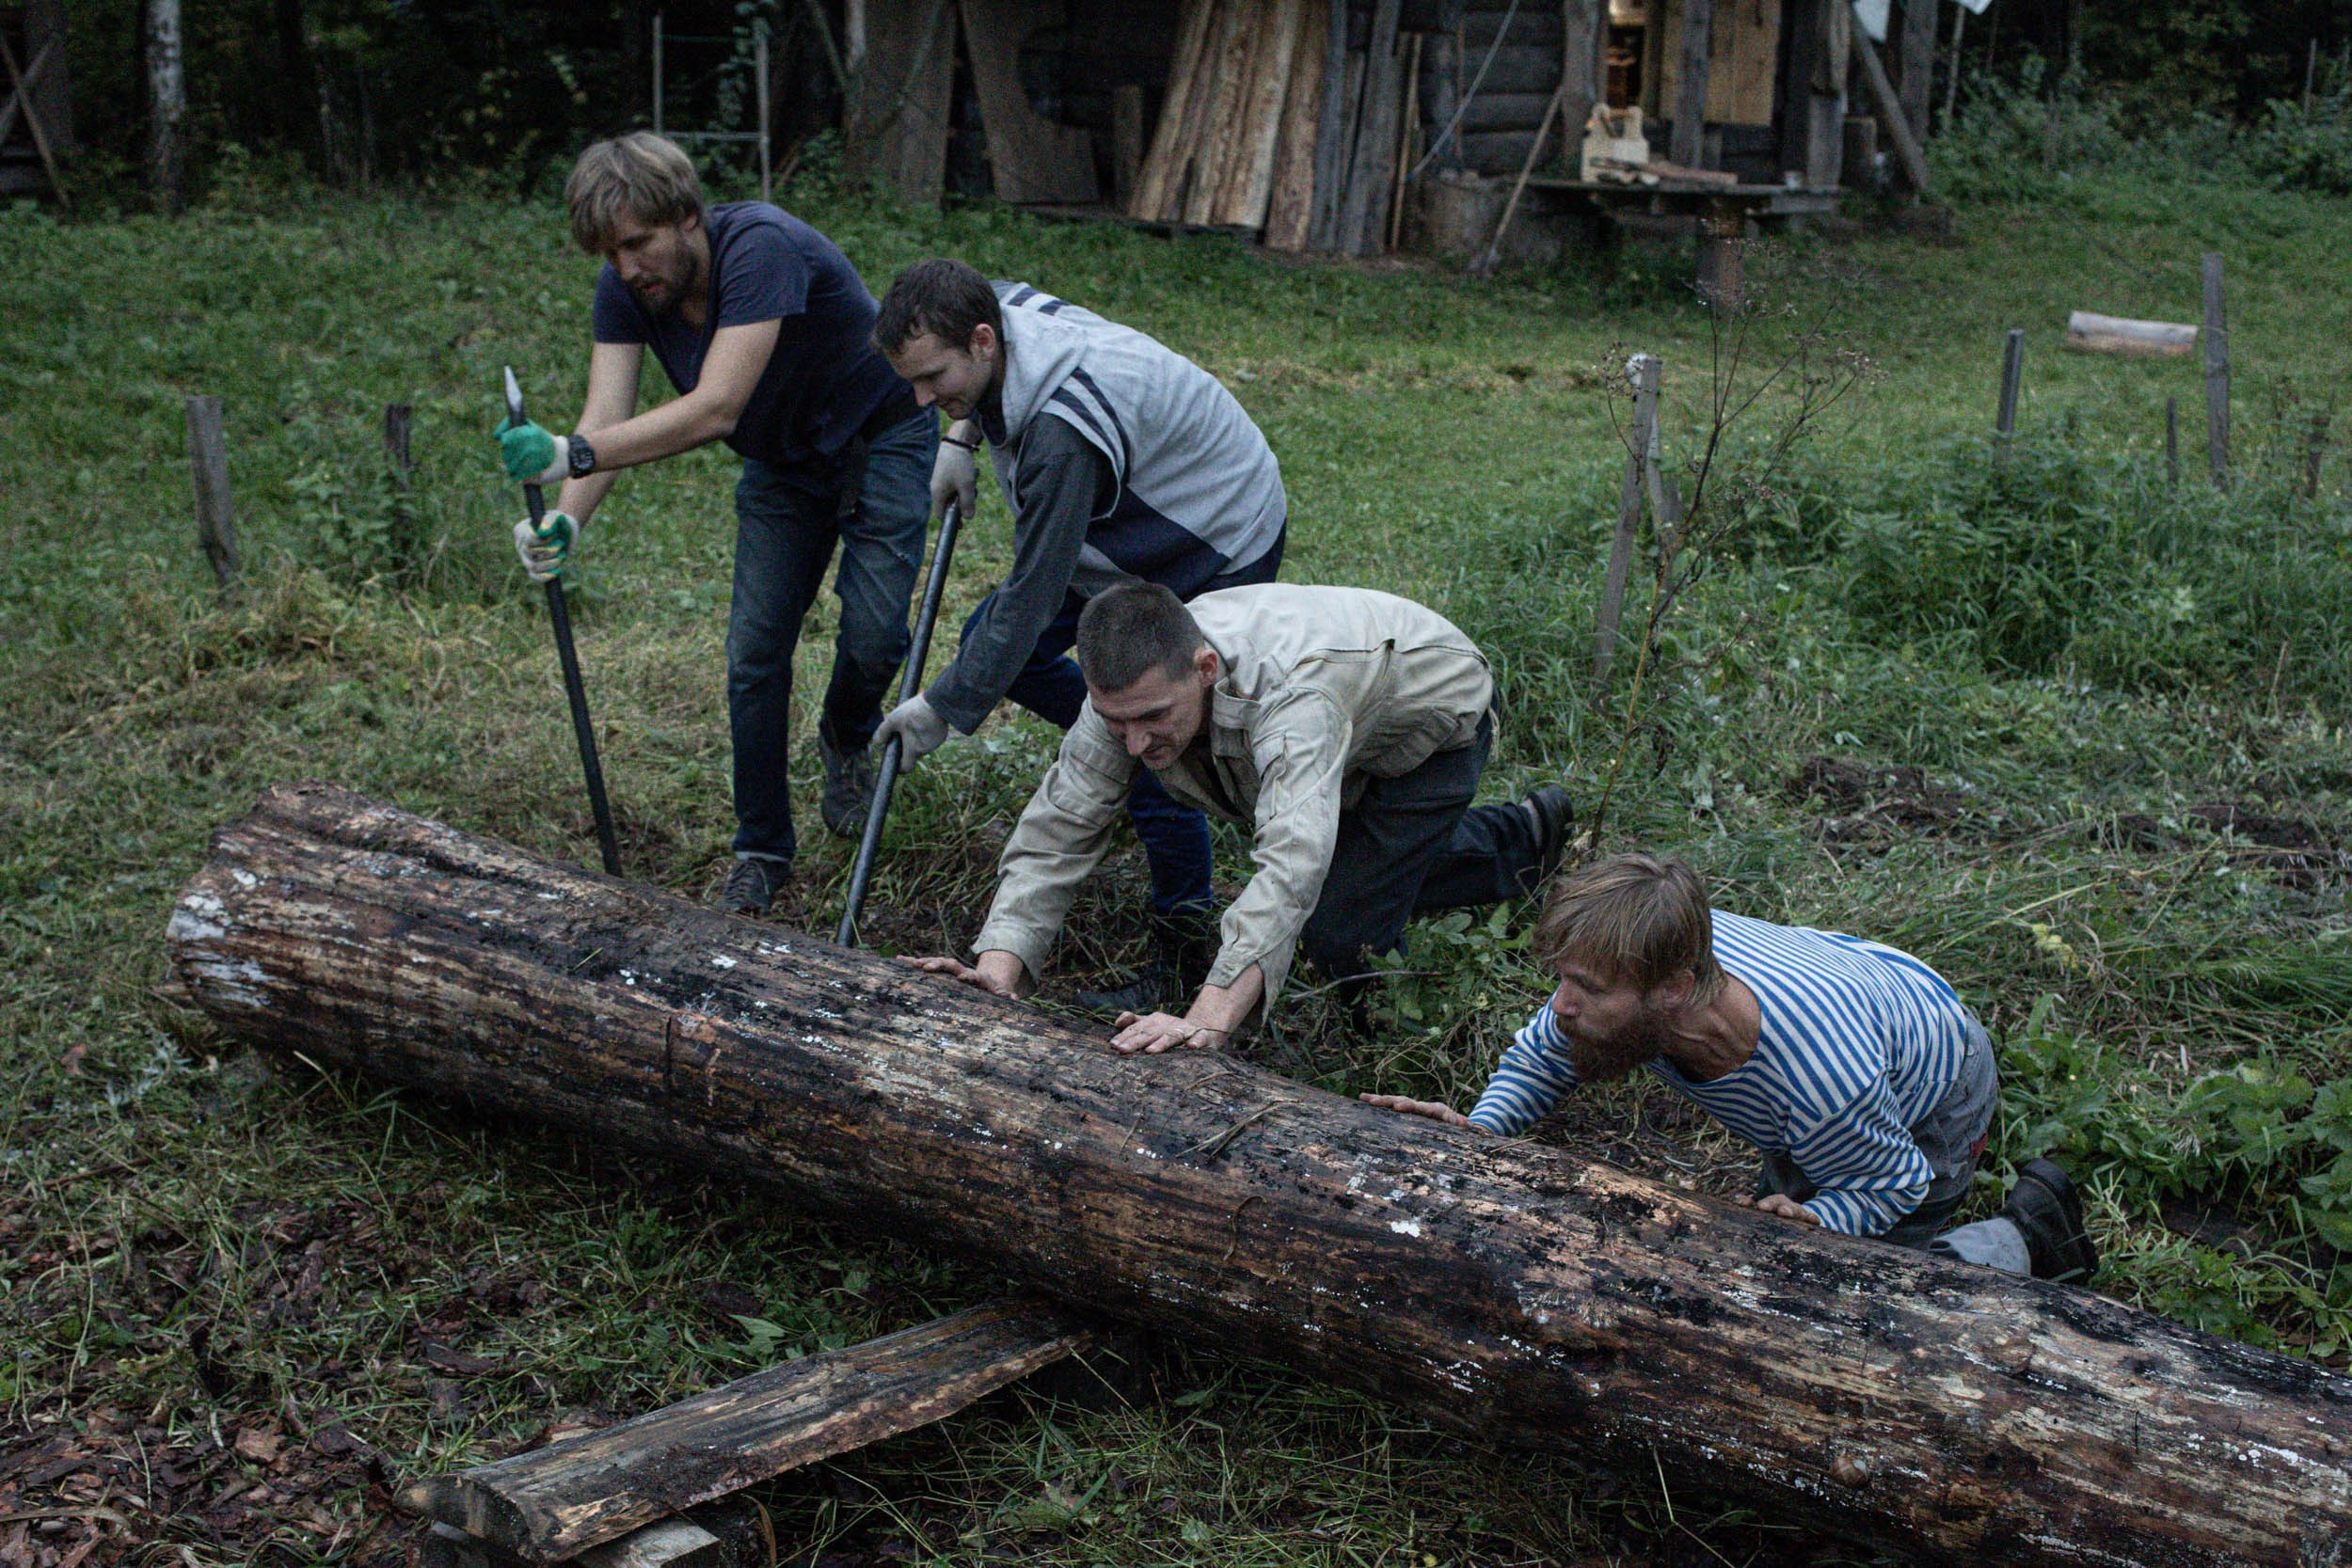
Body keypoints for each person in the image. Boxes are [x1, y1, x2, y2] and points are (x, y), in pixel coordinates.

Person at [494, 132, 938, 915]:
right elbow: (608, 411)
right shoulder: (625, 291)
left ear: (688, 216)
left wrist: (571, 453)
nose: (628, 266)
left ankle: (845, 732)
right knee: (754, 651)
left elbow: (715, 407)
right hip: (782, 461)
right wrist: (568, 524)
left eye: (639, 242)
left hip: (880, 433)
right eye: (609, 250)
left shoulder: (760, 247)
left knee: (875, 632)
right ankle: (762, 849)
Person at [867, 259, 1288, 1014]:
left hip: (1212, 532)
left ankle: (1185, 935)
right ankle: (1115, 746)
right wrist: (960, 439)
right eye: (913, 384)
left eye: (934, 380)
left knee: (1156, 725)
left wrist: (943, 706)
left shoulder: (1063, 438)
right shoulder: (1000, 309)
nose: (923, 400)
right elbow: (1019, 616)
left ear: (985, 340)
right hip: (1134, 511)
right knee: (1022, 662)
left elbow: (1031, 593)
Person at [904, 581, 1574, 1053]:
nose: (1134, 744)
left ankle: (1506, 865)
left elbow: (1291, 858)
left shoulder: (1294, 696)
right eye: (1117, 722)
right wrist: (997, 972)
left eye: (1151, 719)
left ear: (1205, 667)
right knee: (1358, 868)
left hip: (1431, 724)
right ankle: (1525, 837)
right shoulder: (1130, 691)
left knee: (1341, 929)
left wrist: (1208, 1019)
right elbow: (1064, 820)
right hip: (1350, 729)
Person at [1363, 853, 2099, 1280]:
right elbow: (1543, 1056)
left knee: (1867, 1291)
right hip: (1867, 1022)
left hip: (1935, 1092)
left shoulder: (1819, 1080)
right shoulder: (1650, 963)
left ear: (1676, 988)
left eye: (1586, 989)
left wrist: (1822, 1215)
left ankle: (2031, 1237)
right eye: (1564, 978)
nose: (1560, 1005)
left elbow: (1892, 1178)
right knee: (1781, 1220)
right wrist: (1479, 1131)